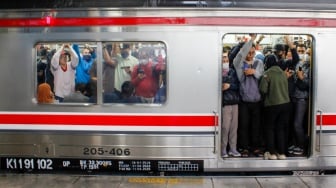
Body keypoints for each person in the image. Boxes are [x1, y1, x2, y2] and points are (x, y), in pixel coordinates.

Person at [233, 34, 264, 157]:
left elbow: (262, 76)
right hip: (244, 101)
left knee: (256, 126)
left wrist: (254, 72)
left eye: (252, 52)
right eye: (248, 52)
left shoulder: (259, 62)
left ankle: (255, 147)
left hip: (257, 101)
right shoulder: (239, 63)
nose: (250, 55)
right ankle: (244, 147)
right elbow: (240, 54)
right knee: (243, 126)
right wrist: (251, 40)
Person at [259, 54, 291, 160]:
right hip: (286, 105)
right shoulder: (283, 73)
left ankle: (271, 153)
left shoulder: (267, 74)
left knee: (269, 129)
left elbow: (263, 90)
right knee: (281, 129)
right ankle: (281, 153)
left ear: (266, 63)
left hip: (272, 105)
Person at [290, 44, 310, 156]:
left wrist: (302, 78)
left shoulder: (312, 67)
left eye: (306, 52)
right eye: (301, 51)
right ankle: (295, 143)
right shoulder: (299, 64)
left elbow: (310, 85)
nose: (304, 54)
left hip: (302, 98)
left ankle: (301, 146)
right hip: (294, 96)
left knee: (298, 123)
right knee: (293, 123)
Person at [221, 50, 241, 158]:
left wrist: (229, 86)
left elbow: (238, 85)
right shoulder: (217, 72)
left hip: (234, 102)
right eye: (223, 58)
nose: (225, 60)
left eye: (226, 58)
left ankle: (233, 148)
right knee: (225, 127)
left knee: (234, 127)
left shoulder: (233, 71)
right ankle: (223, 149)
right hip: (225, 103)